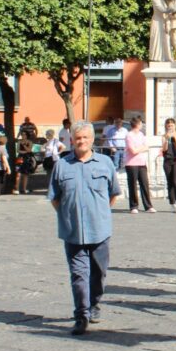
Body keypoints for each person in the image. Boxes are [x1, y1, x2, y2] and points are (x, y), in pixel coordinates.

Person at [49, 121, 121, 336]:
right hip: (72, 232)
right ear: (72, 140)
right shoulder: (62, 165)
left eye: (85, 138)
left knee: (98, 273)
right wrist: (67, 215)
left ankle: (94, 303)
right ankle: (81, 315)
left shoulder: (105, 163)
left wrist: (98, 213)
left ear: (92, 140)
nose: (81, 142)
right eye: (77, 138)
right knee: (79, 275)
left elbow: (113, 194)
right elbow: (54, 198)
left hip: (99, 230)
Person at [123, 117, 155, 214]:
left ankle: (148, 206)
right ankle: (133, 206)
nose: (142, 125)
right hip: (131, 163)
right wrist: (142, 148)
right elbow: (133, 151)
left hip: (142, 162)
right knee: (132, 184)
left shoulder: (141, 134)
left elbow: (147, 147)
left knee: (144, 184)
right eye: (141, 123)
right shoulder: (129, 135)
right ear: (137, 124)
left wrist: (140, 148)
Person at [161, 118, 176, 213]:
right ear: (166, 126)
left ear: (175, 126)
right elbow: (164, 149)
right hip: (167, 160)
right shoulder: (164, 136)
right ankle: (172, 202)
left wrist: (175, 137)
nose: (170, 127)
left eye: (171, 125)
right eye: (168, 125)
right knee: (169, 182)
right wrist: (167, 139)